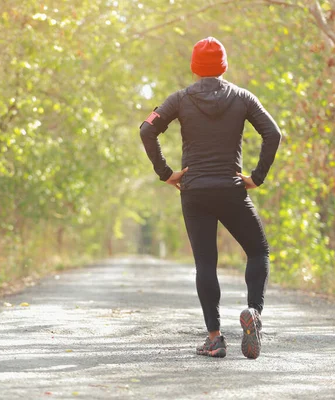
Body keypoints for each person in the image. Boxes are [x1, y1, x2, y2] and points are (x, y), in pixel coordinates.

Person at [139, 37, 281, 359]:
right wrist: (256, 178)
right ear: (224, 66)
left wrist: (166, 173)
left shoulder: (179, 99)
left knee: (206, 262)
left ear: (194, 67)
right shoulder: (243, 98)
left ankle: (215, 338)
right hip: (232, 190)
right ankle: (253, 313)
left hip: (195, 191)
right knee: (258, 251)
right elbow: (273, 134)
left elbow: (146, 130)